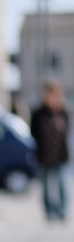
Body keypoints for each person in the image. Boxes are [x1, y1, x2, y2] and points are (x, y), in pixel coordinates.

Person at [30, 80, 70, 221]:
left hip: (60, 155)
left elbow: (67, 133)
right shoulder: (38, 114)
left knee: (61, 185)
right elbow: (33, 133)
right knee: (46, 186)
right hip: (44, 155)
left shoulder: (63, 112)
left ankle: (62, 211)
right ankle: (49, 211)